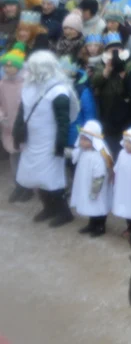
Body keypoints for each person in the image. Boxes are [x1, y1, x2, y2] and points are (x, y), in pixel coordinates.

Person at [14, 50, 78, 226]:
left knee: (51, 178)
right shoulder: (29, 86)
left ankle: (64, 213)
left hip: (49, 142)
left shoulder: (59, 91)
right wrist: (17, 134)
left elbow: (63, 122)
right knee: (35, 176)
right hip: (32, 140)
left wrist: (60, 145)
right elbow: (22, 113)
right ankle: (48, 208)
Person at [68, 119, 113, 236]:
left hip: (96, 187)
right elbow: (73, 154)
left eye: (86, 140)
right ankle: (91, 224)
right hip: (85, 184)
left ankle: (100, 226)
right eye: (81, 139)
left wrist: (95, 190)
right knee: (90, 206)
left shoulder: (98, 156)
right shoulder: (82, 152)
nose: (82, 142)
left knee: (98, 206)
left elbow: (99, 174)